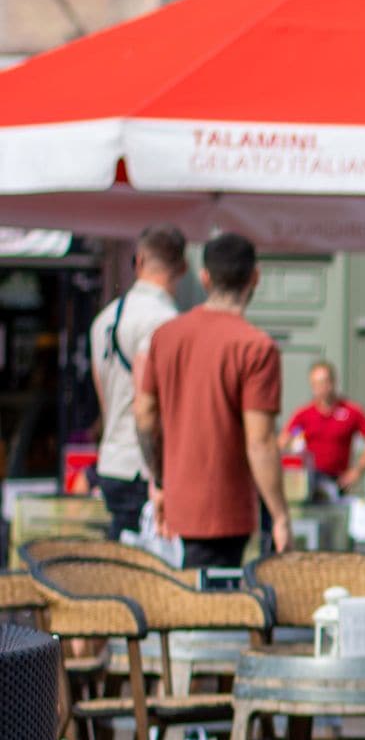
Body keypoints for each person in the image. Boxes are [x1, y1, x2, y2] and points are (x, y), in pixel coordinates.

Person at [134, 231, 291, 567]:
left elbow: (145, 416)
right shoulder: (256, 346)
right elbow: (260, 441)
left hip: (177, 504)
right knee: (218, 610)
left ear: (204, 277)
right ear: (255, 277)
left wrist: (159, 482)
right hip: (225, 510)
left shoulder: (165, 336)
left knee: (182, 610)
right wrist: (280, 515)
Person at [89, 224, 186, 542]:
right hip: (145, 468)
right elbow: (152, 407)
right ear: (183, 268)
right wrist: (160, 476)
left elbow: (104, 398)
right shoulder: (166, 322)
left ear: (139, 260)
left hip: (113, 458)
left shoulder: (104, 318)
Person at [284, 360, 365, 497]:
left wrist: (357, 471)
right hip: (310, 481)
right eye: (315, 384)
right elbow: (284, 441)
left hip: (338, 481)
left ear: (333, 382)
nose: (320, 388)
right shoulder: (303, 414)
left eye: (324, 382)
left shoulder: (351, 411)